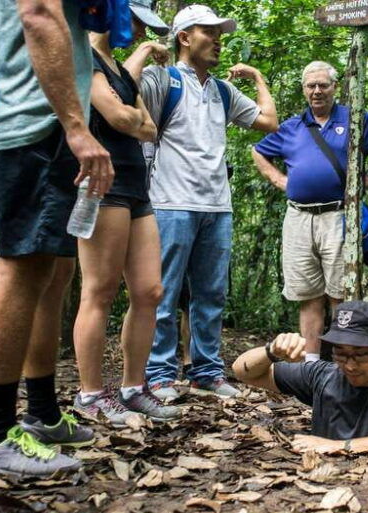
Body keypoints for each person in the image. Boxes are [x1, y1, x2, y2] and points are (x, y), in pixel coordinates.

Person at [0, 0, 114, 477]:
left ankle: (42, 413)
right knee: (22, 268)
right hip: (33, 121)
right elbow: (39, 13)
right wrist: (76, 126)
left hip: (34, 122)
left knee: (48, 271)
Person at [131, 5, 279, 401]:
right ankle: (159, 375)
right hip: (170, 202)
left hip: (217, 206)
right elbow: (121, 93)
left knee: (211, 295)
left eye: (219, 33)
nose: (218, 40)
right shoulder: (163, 79)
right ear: (184, 37)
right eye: (208, 32)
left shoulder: (222, 90)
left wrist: (258, 78)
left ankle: (207, 373)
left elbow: (269, 122)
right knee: (164, 293)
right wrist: (145, 52)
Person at [72, 0, 180, 427]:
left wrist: (130, 117)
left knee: (150, 291)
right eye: (135, 22)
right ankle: (90, 394)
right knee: (99, 290)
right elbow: (118, 117)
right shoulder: (84, 56)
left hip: (137, 187)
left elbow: (149, 128)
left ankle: (134, 387)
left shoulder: (118, 69)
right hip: (103, 185)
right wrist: (129, 117)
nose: (139, 32)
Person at [251, 61, 368, 362]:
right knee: (308, 295)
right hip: (299, 218)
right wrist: (279, 180)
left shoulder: (354, 119)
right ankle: (312, 364)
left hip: (339, 216)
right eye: (311, 86)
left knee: (341, 294)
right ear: (304, 89)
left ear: (334, 87)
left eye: (323, 85)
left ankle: (346, 362)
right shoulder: (291, 126)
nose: (317, 91)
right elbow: (258, 150)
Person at [232, 301, 368, 455]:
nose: (349, 365)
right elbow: (242, 371)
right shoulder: (323, 375)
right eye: (340, 354)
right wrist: (271, 351)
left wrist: (339, 446)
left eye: (361, 355)